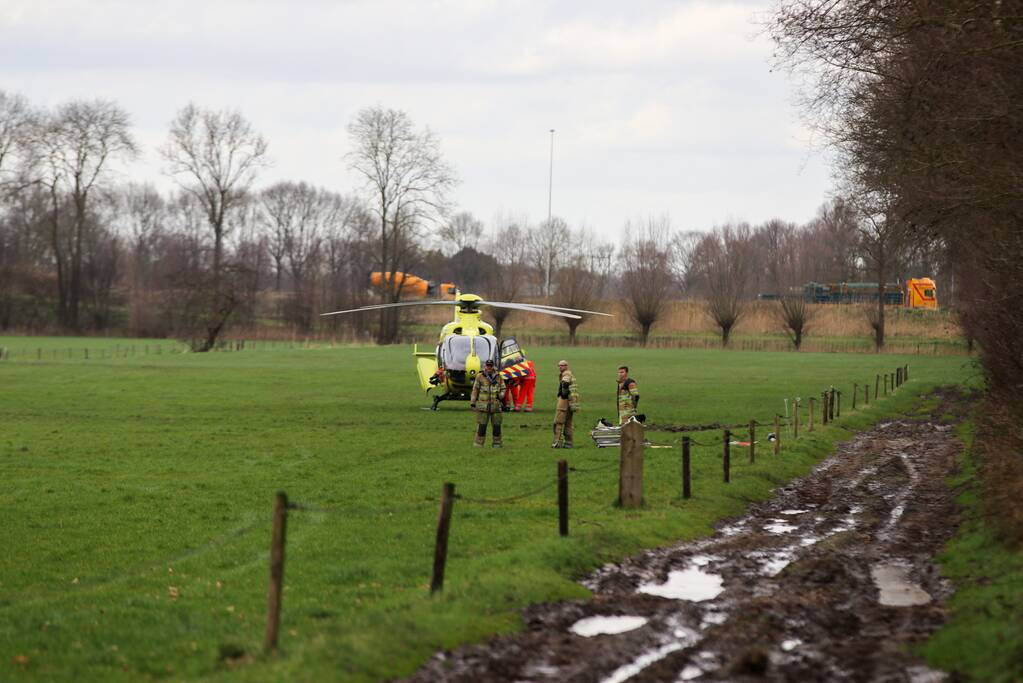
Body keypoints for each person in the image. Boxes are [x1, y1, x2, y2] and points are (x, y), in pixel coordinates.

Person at [470, 359, 506, 448]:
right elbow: (475, 390)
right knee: (481, 427)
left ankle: (497, 444)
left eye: (490, 365)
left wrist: (500, 396)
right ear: (485, 366)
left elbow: (503, 388)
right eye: (488, 365)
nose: (489, 367)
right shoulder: (480, 376)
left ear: (493, 366)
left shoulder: (498, 376)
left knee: (497, 427)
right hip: (483, 407)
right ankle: (478, 444)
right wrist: (473, 402)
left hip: (496, 406)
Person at [552, 359, 579, 448]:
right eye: (559, 365)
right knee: (568, 423)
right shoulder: (571, 374)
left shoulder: (566, 374)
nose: (560, 367)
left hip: (565, 401)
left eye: (562, 365)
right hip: (572, 402)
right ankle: (568, 443)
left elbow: (565, 383)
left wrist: (563, 393)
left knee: (558, 422)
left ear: (567, 366)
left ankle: (557, 442)